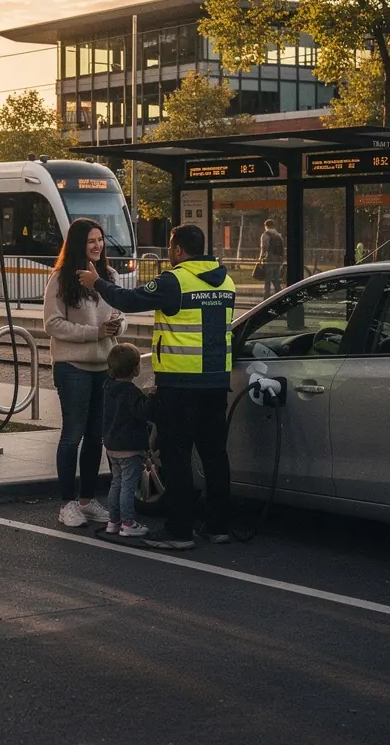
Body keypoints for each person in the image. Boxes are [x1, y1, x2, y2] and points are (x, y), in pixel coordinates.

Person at [77, 223, 234, 550]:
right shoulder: (226, 280)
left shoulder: (174, 281)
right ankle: (218, 526)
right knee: (215, 456)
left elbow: (129, 299)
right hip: (217, 383)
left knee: (177, 457)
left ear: (177, 250)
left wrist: (98, 282)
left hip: (180, 385)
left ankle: (179, 531)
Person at [43, 217, 126, 529]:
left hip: (104, 365)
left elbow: (121, 311)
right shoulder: (60, 279)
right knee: (73, 434)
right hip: (73, 366)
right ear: (78, 243)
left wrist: (119, 324)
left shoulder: (109, 275)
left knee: (96, 437)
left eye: (100, 239)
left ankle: (87, 500)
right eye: (91, 240)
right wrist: (95, 331)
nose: (98, 245)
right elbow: (52, 324)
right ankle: (67, 503)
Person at [102, 343, 155, 538]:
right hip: (130, 447)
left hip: (112, 445)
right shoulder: (131, 391)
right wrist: (153, 398)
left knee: (116, 483)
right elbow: (143, 413)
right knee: (128, 485)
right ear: (136, 369)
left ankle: (113, 521)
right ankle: (127, 523)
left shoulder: (108, 387)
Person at [258, 219, 284, 299]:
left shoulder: (265, 235)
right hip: (277, 260)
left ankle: (266, 299)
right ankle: (281, 297)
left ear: (266, 226)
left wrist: (260, 258)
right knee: (276, 280)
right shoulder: (278, 235)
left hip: (269, 260)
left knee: (268, 281)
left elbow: (264, 248)